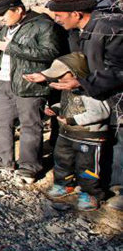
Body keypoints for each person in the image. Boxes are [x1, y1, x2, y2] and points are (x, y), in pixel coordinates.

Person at [39, 0, 123, 210]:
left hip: (104, 103)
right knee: (65, 158)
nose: (56, 19)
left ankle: (95, 191)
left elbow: (117, 69)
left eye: (59, 15)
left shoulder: (107, 29)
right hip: (82, 104)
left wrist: (82, 83)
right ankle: (66, 184)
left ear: (76, 14)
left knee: (93, 162)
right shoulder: (80, 32)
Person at [0, 0, 64, 180]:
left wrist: (10, 47)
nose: (1, 19)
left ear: (19, 10)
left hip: (29, 82)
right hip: (5, 80)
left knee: (30, 124)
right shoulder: (7, 26)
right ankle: (3, 159)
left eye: (4, 14)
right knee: (0, 121)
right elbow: (6, 54)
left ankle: (30, 166)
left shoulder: (43, 25)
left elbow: (50, 52)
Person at [31, 54, 111, 211]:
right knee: (62, 160)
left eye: (62, 76)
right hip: (67, 133)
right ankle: (63, 183)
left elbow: (101, 112)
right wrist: (55, 108)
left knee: (87, 166)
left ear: (75, 73)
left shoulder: (90, 91)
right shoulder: (67, 88)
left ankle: (90, 193)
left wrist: (74, 120)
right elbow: (66, 104)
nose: (59, 80)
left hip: (88, 136)